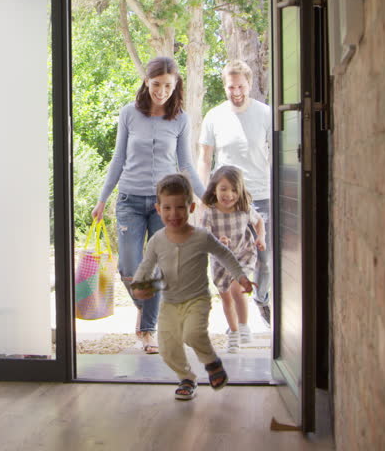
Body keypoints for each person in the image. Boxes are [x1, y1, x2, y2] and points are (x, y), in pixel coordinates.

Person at [92, 56, 206, 355]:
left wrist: (205, 197)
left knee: (156, 267)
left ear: (176, 84)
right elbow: (118, 160)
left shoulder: (180, 118)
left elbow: (186, 164)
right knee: (130, 267)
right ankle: (150, 311)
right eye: (157, 84)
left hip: (164, 205)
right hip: (129, 199)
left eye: (168, 85)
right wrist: (102, 199)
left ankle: (148, 330)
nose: (162, 91)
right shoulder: (129, 113)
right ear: (146, 82)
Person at [131, 174, 253, 400]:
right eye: (167, 208)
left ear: (192, 207)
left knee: (193, 334)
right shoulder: (158, 240)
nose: (173, 214)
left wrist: (241, 277)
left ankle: (211, 363)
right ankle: (186, 378)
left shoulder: (201, 237)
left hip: (197, 300)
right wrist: (138, 286)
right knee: (167, 349)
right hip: (169, 303)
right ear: (158, 209)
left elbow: (224, 255)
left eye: (180, 207)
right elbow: (146, 266)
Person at [197, 59, 273, 326]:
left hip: (260, 196)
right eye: (231, 87)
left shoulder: (266, 114)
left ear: (249, 84)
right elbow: (205, 159)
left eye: (241, 86)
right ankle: (236, 323)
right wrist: (202, 198)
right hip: (225, 202)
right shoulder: (214, 116)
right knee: (226, 258)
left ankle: (261, 299)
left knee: (265, 258)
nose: (236, 91)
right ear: (225, 86)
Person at [200, 166, 265, 353]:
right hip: (220, 261)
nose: (229, 194)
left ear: (240, 190)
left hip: (243, 254)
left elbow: (259, 221)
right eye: (224, 189)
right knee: (227, 299)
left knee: (237, 289)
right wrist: (217, 241)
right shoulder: (210, 213)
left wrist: (261, 238)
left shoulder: (243, 208)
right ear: (214, 189)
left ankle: (244, 325)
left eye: (234, 190)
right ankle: (234, 333)